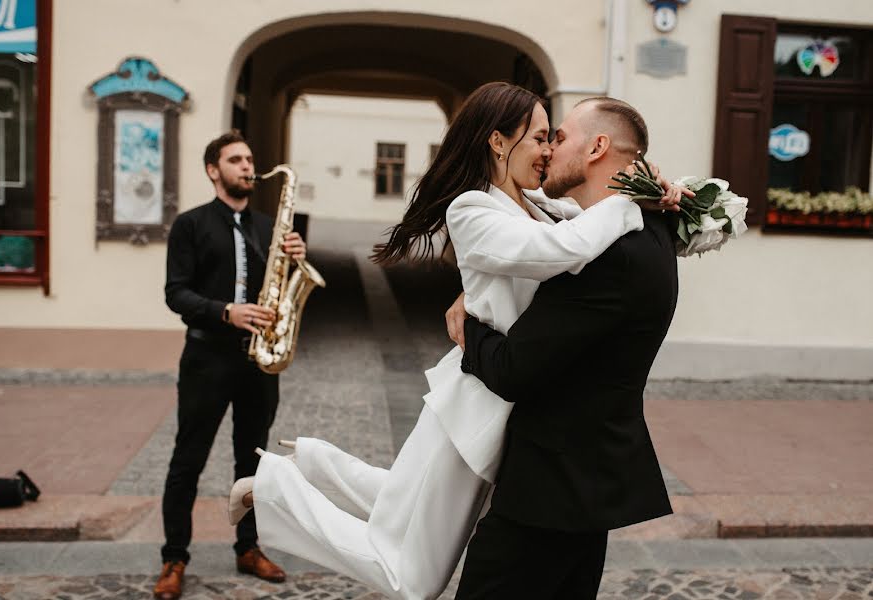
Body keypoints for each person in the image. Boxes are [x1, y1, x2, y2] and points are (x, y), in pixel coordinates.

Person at [232, 83, 683, 600]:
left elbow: (588, 228)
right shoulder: (473, 207)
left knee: (404, 501)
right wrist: (632, 201)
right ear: (498, 142)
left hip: (502, 409)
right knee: (413, 572)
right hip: (476, 402)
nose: (548, 150)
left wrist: (657, 191)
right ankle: (275, 486)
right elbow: (567, 248)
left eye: (553, 137)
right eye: (541, 137)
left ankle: (309, 461)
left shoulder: (539, 204)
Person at [453, 97, 679, 599]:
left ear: (598, 146)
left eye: (558, 137)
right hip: (586, 485)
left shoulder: (606, 258)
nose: (548, 150)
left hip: (549, 493)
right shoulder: (652, 227)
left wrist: (469, 325)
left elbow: (513, 369)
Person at [154, 131, 307, 600]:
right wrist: (227, 311)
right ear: (212, 170)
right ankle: (174, 558)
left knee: (253, 463)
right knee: (188, 460)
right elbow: (175, 293)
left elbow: (278, 290)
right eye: (235, 159)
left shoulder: (269, 228)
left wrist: (295, 261)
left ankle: (248, 547)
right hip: (207, 356)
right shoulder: (190, 225)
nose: (246, 166)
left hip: (257, 361)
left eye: (249, 158)